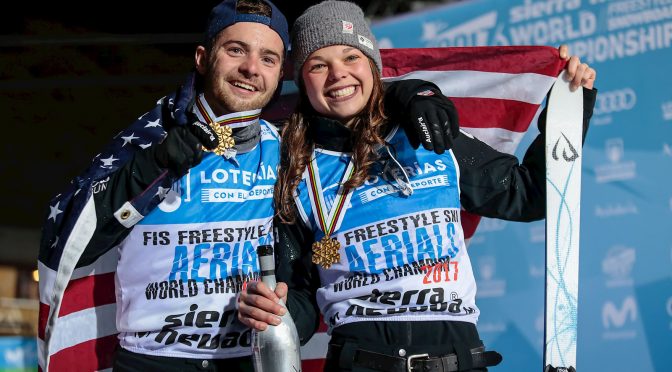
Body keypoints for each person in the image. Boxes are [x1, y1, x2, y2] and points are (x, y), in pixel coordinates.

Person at [37, 1, 460, 371]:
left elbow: (309, 283)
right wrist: (157, 165)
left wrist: (408, 93)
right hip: (151, 361)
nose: (251, 68)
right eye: (236, 50)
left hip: (247, 363)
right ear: (203, 57)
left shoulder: (290, 153)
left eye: (269, 58)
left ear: (281, 75)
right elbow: (76, 247)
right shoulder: (148, 142)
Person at [237, 1, 597, 371]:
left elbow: (528, 195)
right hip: (359, 359)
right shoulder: (294, 169)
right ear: (302, 78)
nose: (338, 74)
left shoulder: (428, 135)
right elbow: (301, 291)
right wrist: (278, 312)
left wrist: (568, 111)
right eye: (318, 65)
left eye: (351, 57)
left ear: (372, 65)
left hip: (456, 357)